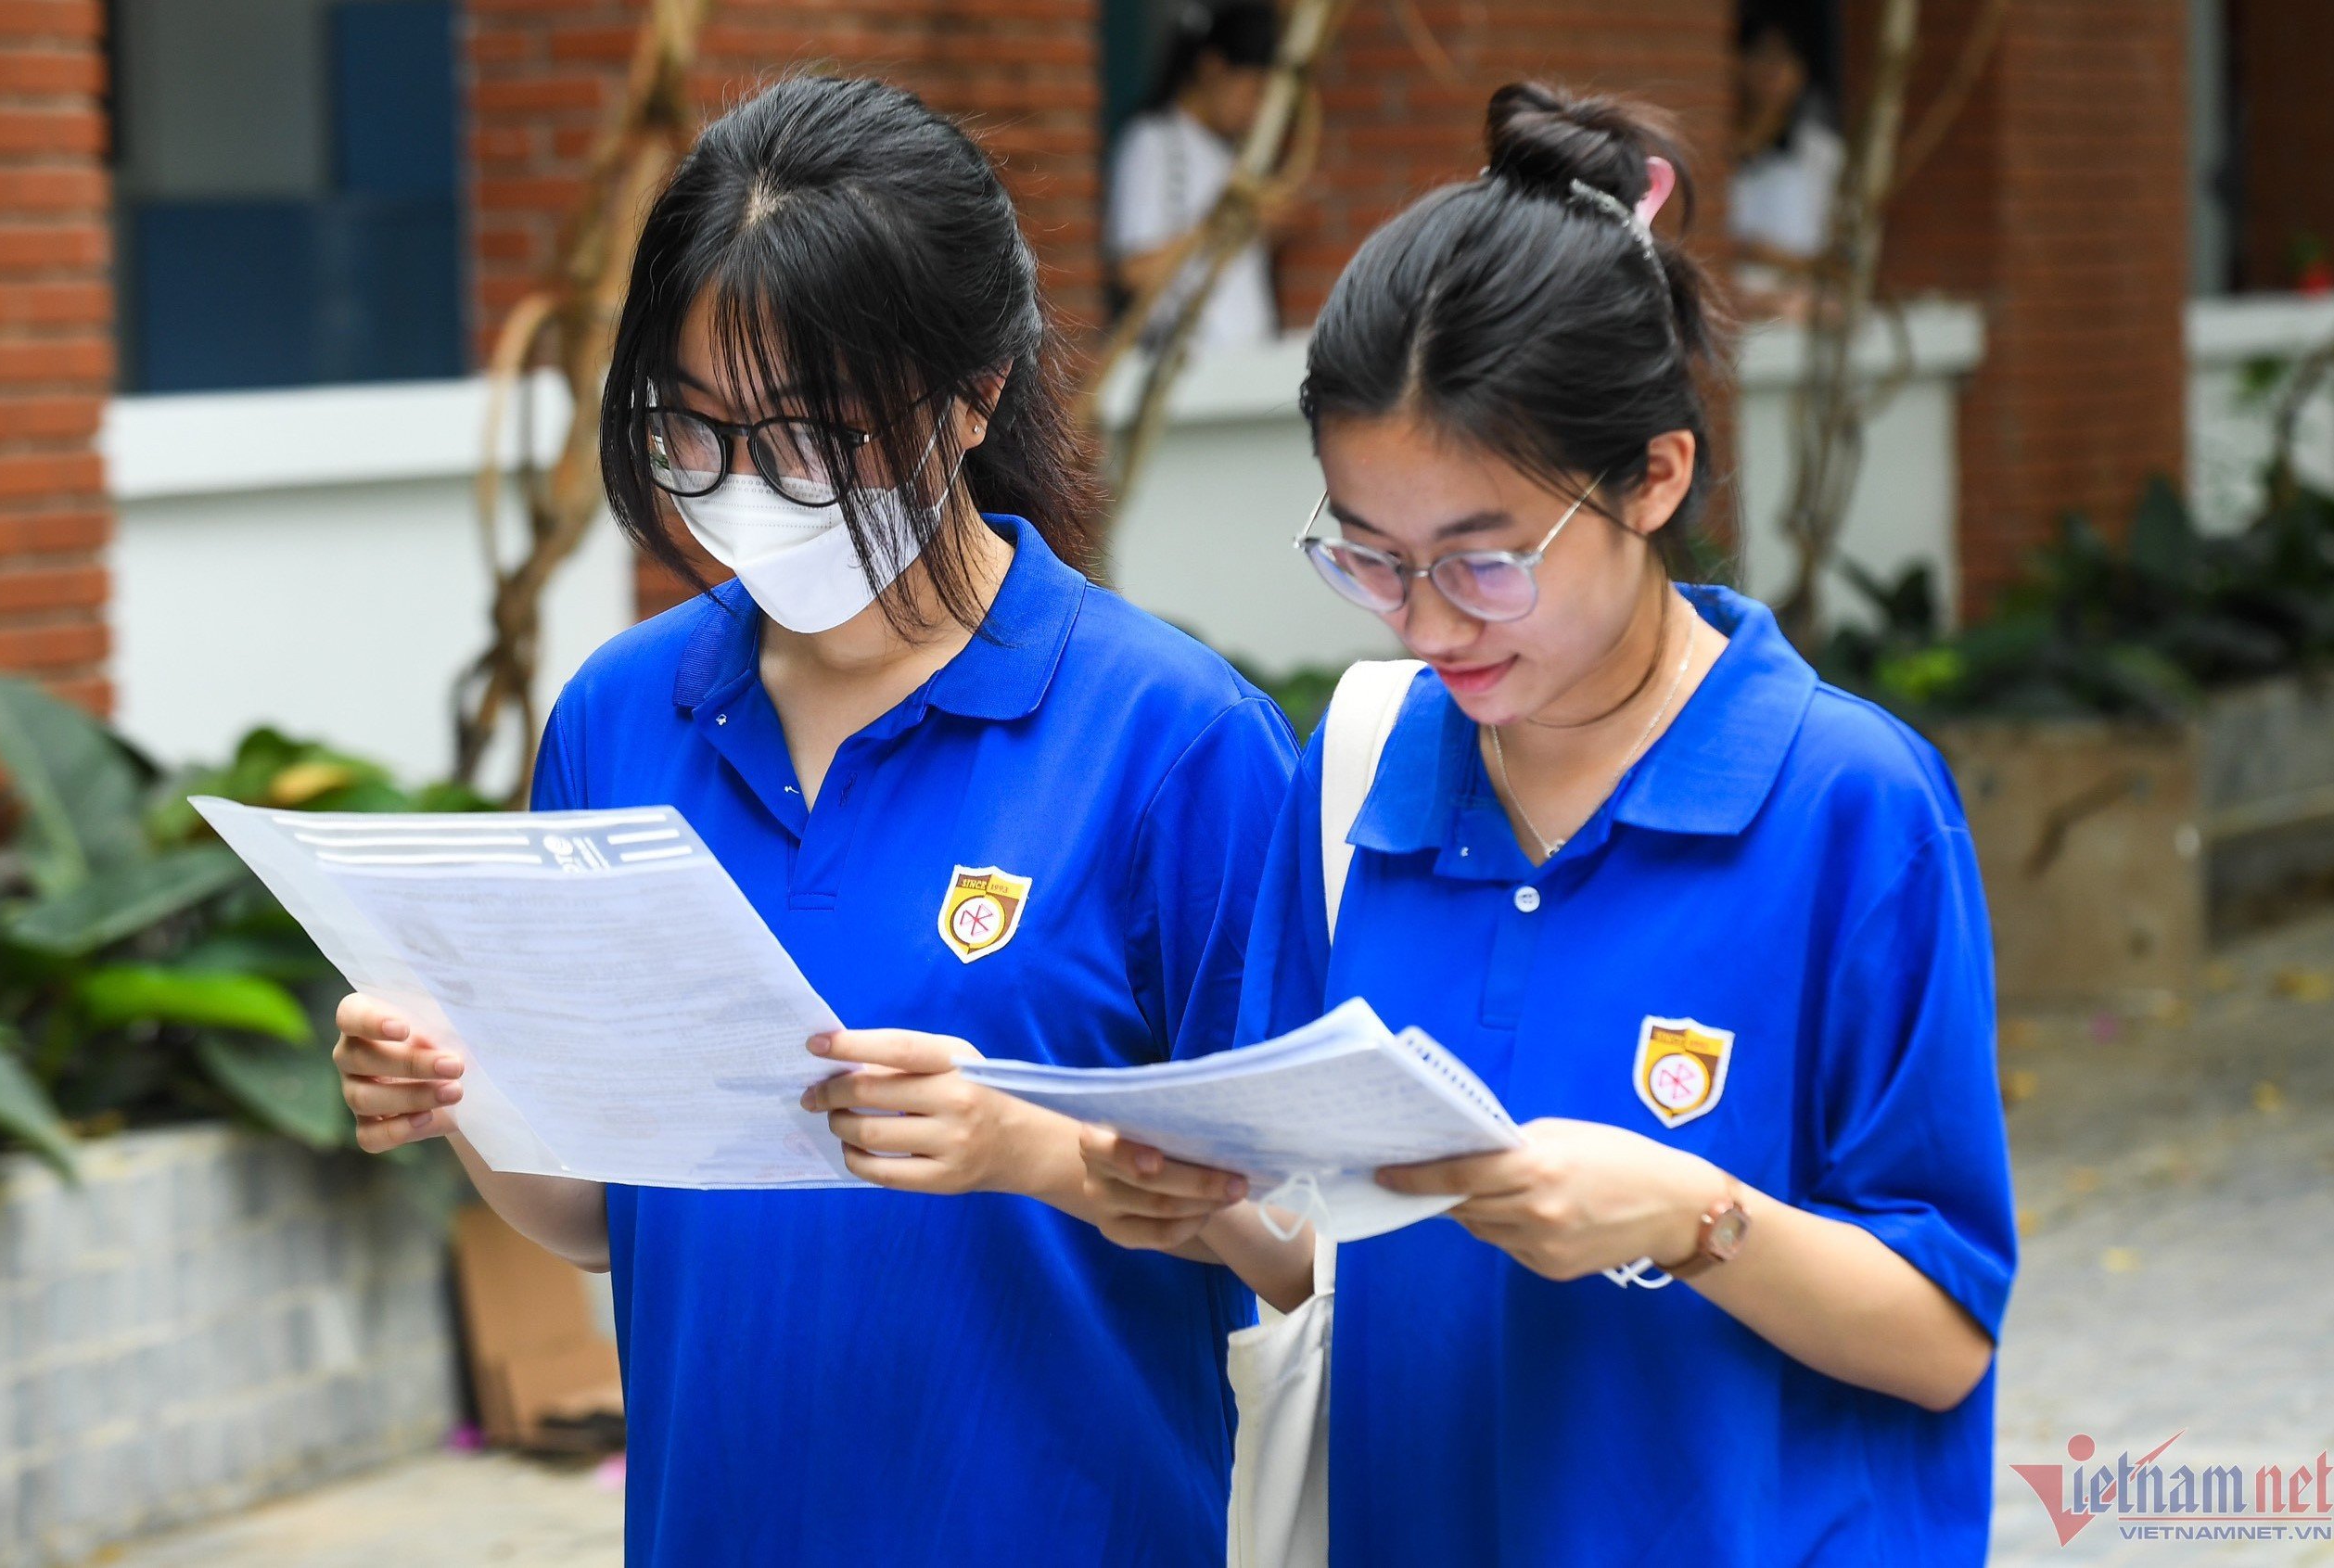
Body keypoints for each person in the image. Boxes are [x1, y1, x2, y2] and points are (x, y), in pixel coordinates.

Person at [327, 75, 1297, 1565]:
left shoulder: (1172, 740)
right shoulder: (620, 716)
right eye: (692, 430)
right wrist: (460, 1081)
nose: (741, 489)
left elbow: (1305, 1244)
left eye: (810, 439)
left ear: (972, 397)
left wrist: (1035, 1143)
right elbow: (600, 1207)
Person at [1083, 83, 2017, 1564]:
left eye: (1486, 560)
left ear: (1654, 473)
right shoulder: (1362, 768)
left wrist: (1691, 1217)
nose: (1429, 618)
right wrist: (1191, 1207)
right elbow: (1317, 1255)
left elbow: (1942, 1340)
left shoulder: (1849, 803)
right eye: (1370, 559)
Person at [1106, 0, 1284, 352]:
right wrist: (1219, 228)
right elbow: (1134, 271)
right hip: (1186, 369)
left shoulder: (1233, 155)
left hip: (1251, 357)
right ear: (1213, 69)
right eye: (1253, 91)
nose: (1257, 109)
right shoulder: (1154, 143)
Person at [1729, 10, 1844, 318]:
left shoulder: (1821, 152)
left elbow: (1838, 252)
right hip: (1733, 302)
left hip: (1799, 305)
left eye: (1785, 58)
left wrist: (1782, 262)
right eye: (1762, 55)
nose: (1773, 70)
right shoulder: (1717, 147)